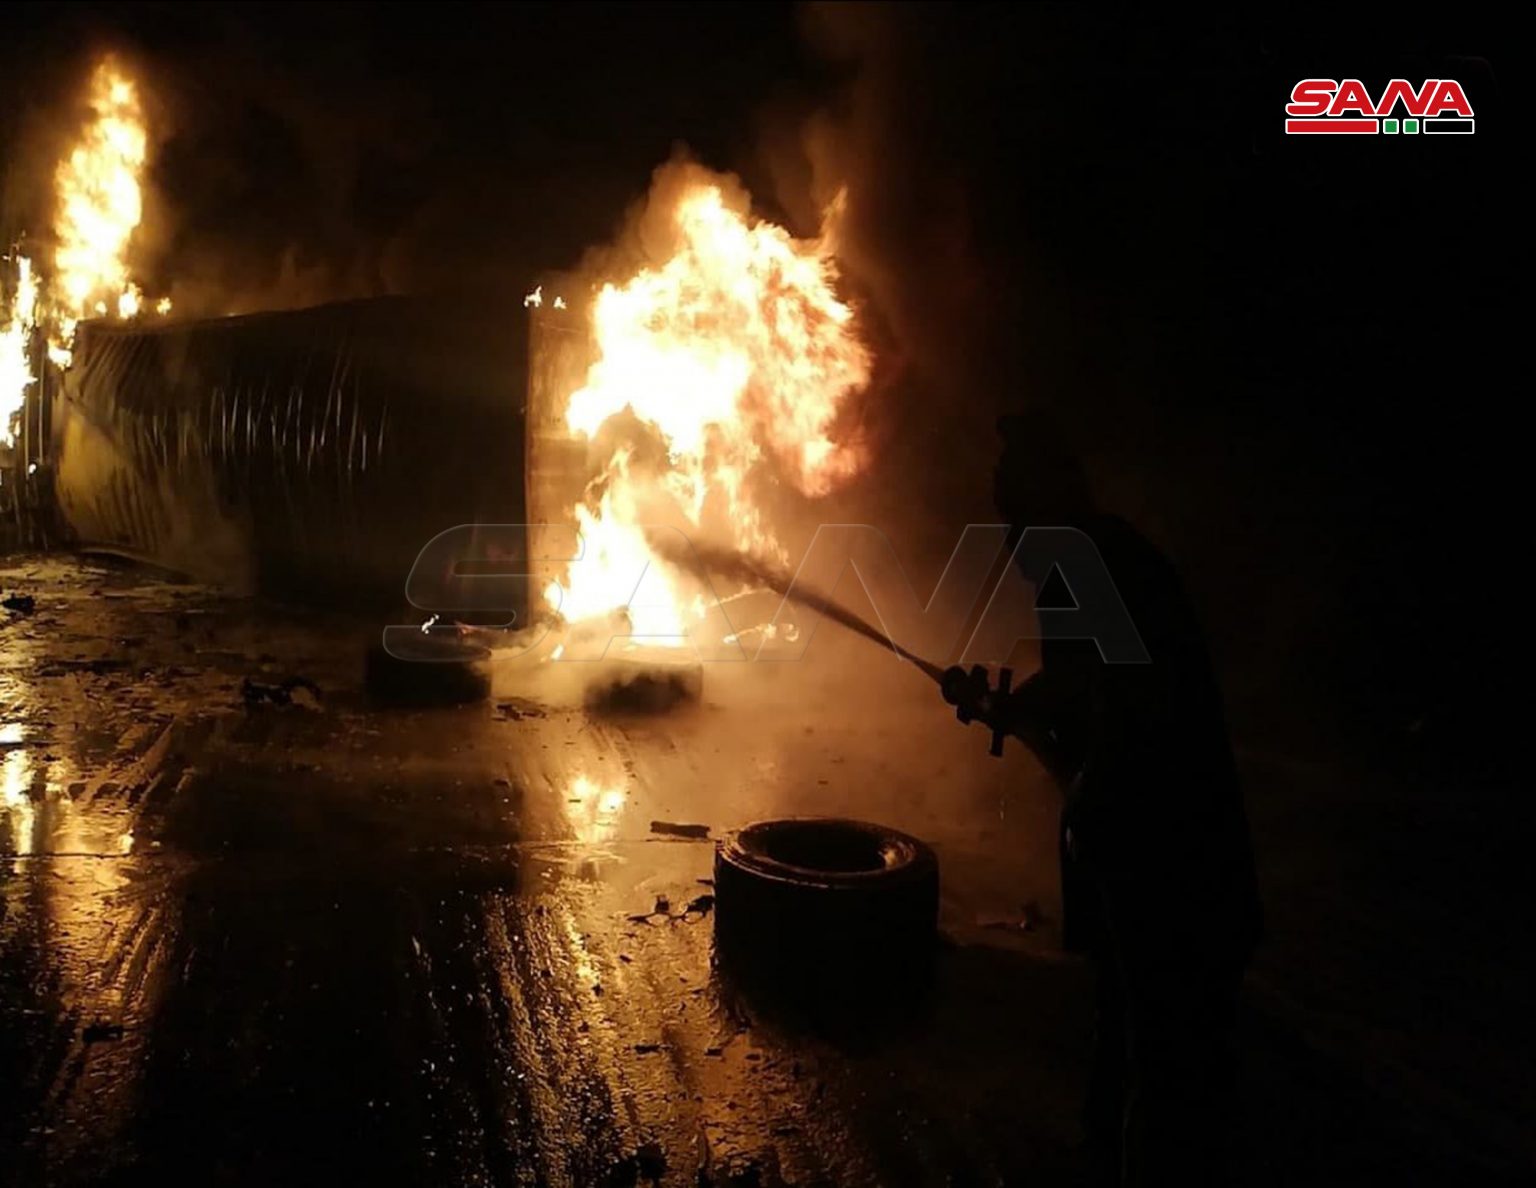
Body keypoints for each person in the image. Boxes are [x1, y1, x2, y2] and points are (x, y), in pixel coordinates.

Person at [970, 414, 1263, 1186]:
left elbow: (1087, 699)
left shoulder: (1080, 556)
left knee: (1168, 1069)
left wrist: (1018, 714)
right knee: (1149, 1039)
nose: (1009, 542)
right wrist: (1011, 710)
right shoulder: (1113, 553)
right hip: (1181, 841)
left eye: (1013, 516)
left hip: (1166, 851)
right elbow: (1083, 692)